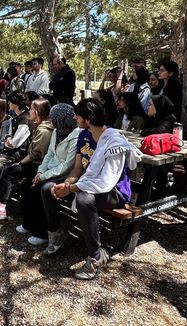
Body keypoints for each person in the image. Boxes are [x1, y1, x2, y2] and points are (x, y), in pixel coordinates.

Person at [41, 98, 140, 280]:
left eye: (77, 117)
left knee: (84, 199)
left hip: (114, 192)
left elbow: (106, 182)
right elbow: (79, 168)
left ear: (87, 118)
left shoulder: (113, 141)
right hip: (87, 181)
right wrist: (67, 183)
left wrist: (72, 189)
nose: (75, 120)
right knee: (49, 188)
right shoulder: (83, 134)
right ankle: (57, 233)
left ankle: (95, 256)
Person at [0, 98, 54, 220]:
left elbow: (35, 154)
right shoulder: (36, 125)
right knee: (1, 169)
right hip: (31, 162)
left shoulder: (42, 130)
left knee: (8, 171)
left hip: (36, 165)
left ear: (38, 112)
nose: (29, 111)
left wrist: (20, 162)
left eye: (32, 109)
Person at [17, 103, 80, 246]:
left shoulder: (76, 136)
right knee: (26, 184)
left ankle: (42, 232)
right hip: (49, 171)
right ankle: (29, 224)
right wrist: (40, 171)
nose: (52, 122)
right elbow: (49, 154)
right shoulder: (57, 132)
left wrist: (43, 177)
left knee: (39, 189)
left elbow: (67, 165)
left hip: (65, 175)